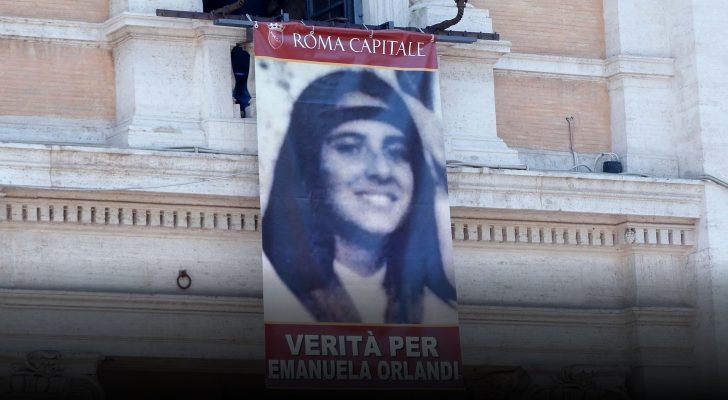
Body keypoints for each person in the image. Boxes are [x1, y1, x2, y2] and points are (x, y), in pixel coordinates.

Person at [261, 70, 456, 324]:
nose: (382, 170)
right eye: (350, 147)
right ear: (308, 169)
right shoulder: (271, 292)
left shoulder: (441, 313)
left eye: (397, 152)